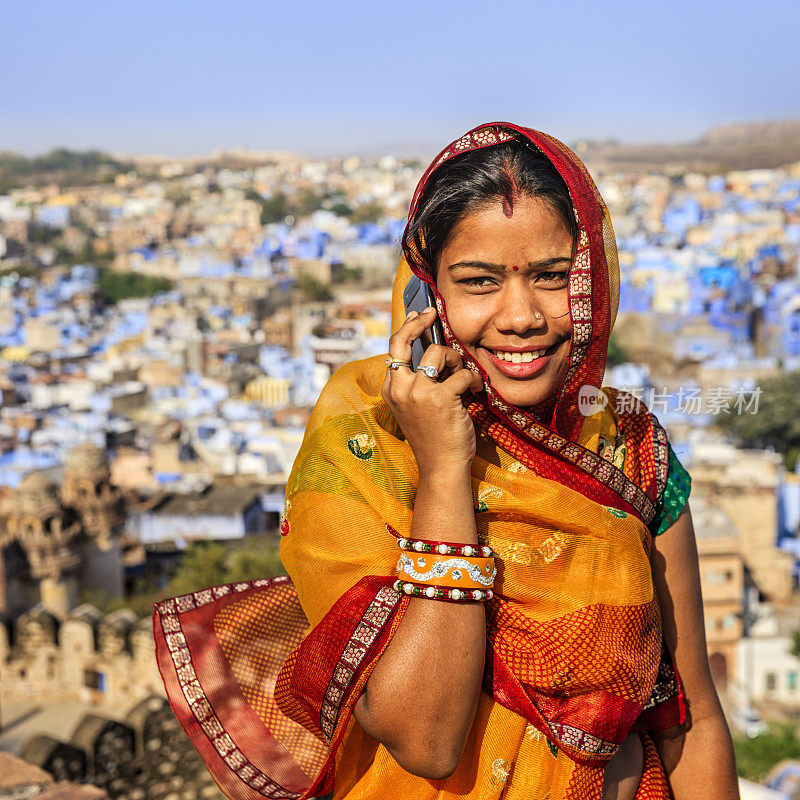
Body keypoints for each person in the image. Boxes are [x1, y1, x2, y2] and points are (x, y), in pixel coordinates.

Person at [154, 122, 740, 800]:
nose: (520, 316)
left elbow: (690, 720)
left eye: (552, 277)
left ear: (591, 284)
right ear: (429, 292)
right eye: (479, 281)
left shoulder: (629, 448)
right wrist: (442, 471)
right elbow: (425, 739)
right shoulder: (366, 436)